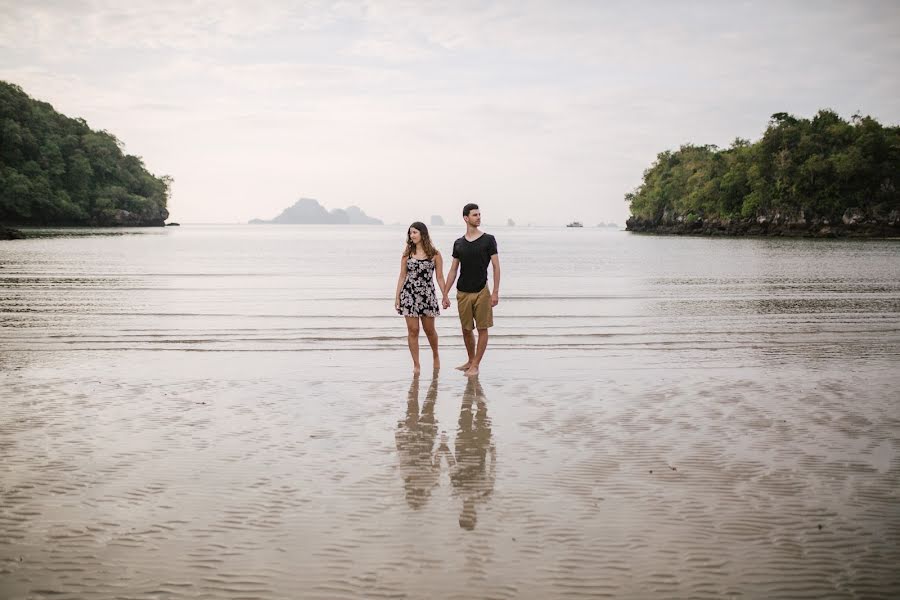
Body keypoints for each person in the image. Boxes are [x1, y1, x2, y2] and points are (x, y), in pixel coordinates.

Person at [442, 204, 500, 377]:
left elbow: (496, 267)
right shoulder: (458, 243)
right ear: (466, 218)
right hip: (463, 292)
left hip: (482, 290)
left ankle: (476, 365)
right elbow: (453, 270)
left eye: (480, 214)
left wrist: (495, 292)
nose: (479, 217)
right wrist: (445, 293)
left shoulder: (489, 239)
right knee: (466, 329)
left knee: (482, 328)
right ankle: (470, 360)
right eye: (475, 215)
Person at [395, 221, 446, 374]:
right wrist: (397, 297)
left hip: (427, 296)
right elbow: (402, 276)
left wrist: (445, 295)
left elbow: (440, 277)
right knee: (413, 330)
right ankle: (416, 364)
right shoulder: (407, 255)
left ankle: (435, 355)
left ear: (423, 234)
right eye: (410, 233)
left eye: (415, 232)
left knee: (429, 330)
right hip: (409, 295)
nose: (412, 235)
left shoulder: (435, 254)